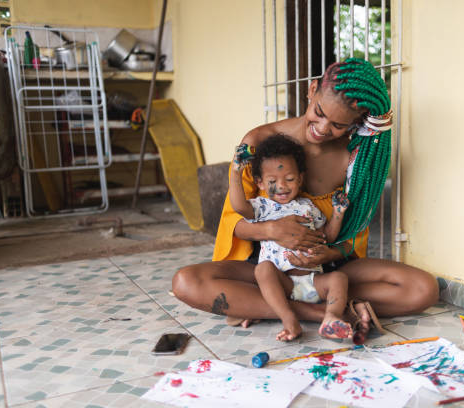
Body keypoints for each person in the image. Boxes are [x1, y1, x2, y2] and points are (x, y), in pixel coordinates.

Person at [172, 58, 439, 339]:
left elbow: (353, 235)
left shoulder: (355, 158)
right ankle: (323, 312)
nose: (323, 128)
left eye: (338, 125)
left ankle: (269, 305)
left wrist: (330, 253)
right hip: (267, 267)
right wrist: (272, 229)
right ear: (311, 90)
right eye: (319, 112)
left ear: (356, 122)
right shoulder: (258, 142)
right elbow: (233, 221)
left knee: (423, 289)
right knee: (186, 282)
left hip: (329, 271)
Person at [230, 134, 353, 341]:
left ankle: (331, 317)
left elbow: (328, 236)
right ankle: (288, 319)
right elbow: (238, 206)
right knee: (263, 269)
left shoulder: (309, 207)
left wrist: (338, 213)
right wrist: (235, 172)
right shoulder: (262, 206)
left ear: (300, 179)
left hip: (314, 280)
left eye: (289, 179)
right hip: (283, 282)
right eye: (272, 181)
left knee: (339, 278)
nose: (282, 186)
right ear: (259, 182)